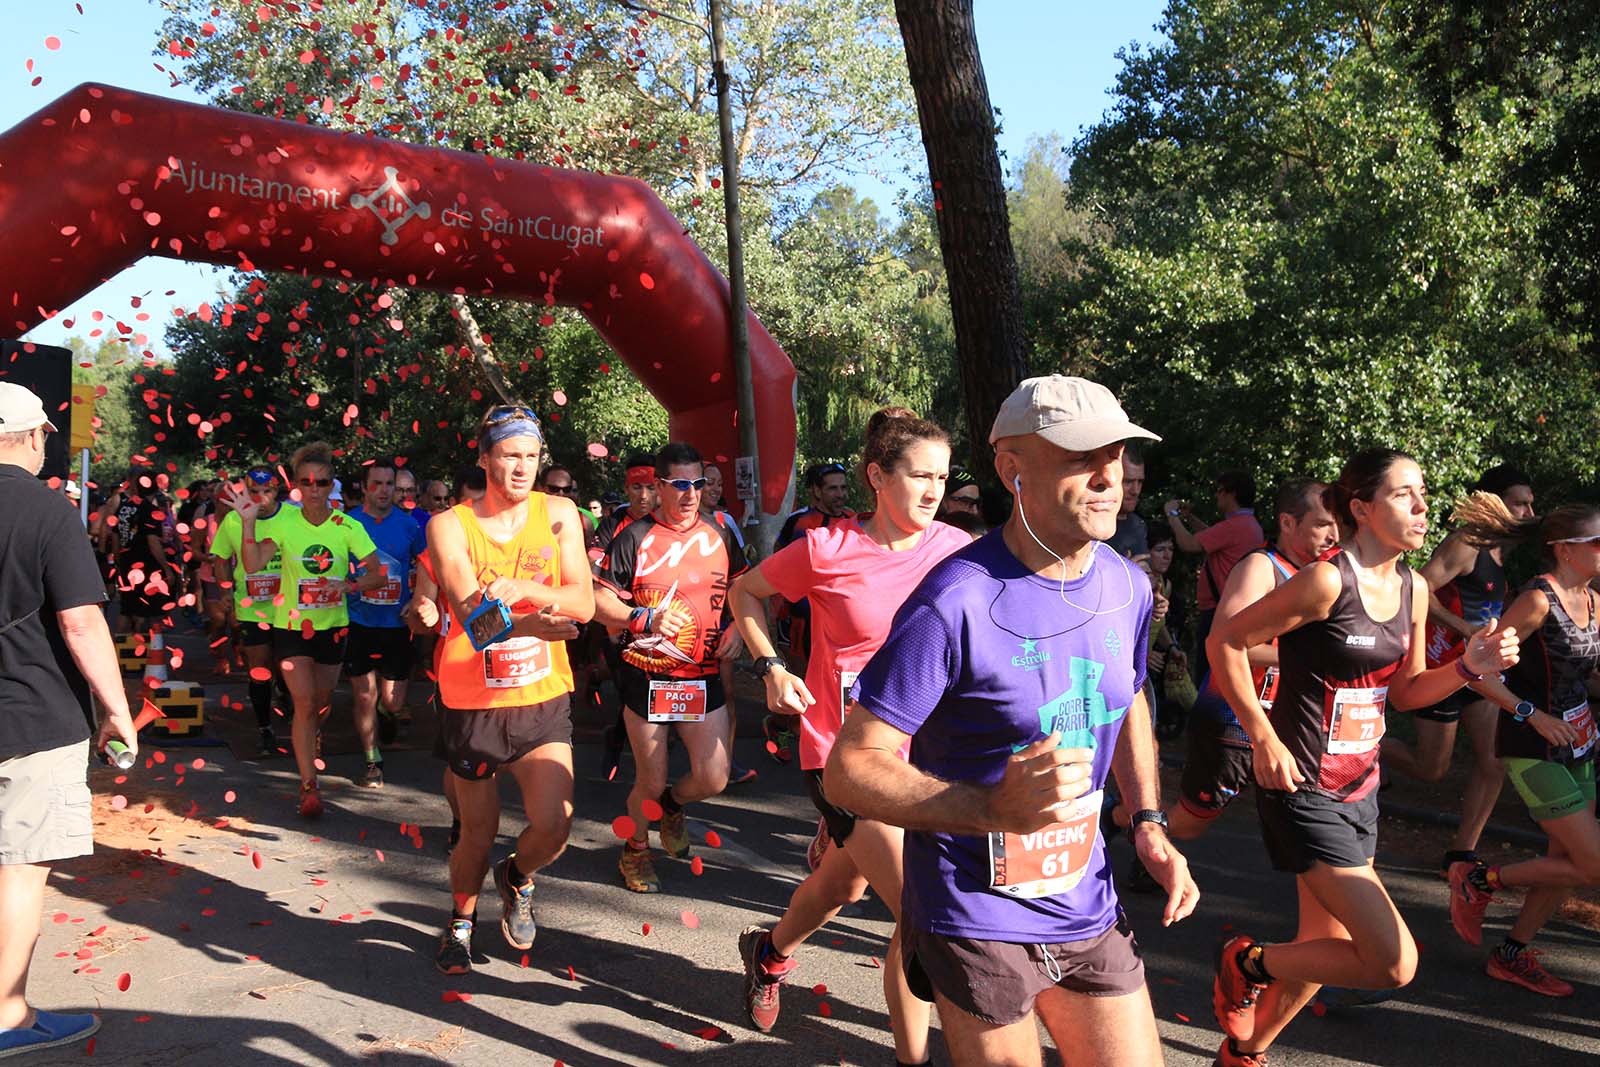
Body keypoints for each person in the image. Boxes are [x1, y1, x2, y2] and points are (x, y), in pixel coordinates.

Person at [826, 376, 1199, 1067]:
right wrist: (990, 808)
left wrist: (1148, 820)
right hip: (973, 911)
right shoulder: (954, 601)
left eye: (1116, 455)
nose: (1109, 477)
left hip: (1084, 899)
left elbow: (1128, 698)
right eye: (1081, 457)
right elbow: (848, 769)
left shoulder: (1128, 585)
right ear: (1011, 469)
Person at [1206, 448, 1519, 1067]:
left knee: (1323, 945)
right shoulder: (1327, 581)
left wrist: (1466, 667)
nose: (1423, 506)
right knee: (1393, 962)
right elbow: (1226, 640)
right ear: (1363, 508)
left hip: (1360, 789)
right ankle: (1247, 961)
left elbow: (1406, 691)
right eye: (1405, 494)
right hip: (1302, 786)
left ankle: (1243, 1054)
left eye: (1423, 492)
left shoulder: (1413, 588)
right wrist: (1263, 736)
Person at [729, 408, 969, 1062]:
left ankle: (768, 951)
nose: (933, 490)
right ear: (877, 477)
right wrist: (772, 668)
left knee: (845, 885)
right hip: (842, 754)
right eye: (919, 475)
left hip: (927, 759)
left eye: (942, 477)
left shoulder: (957, 550)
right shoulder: (826, 549)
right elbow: (745, 593)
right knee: (919, 908)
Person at [424, 404, 594, 975]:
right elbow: (471, 619)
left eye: (531, 455)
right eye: (509, 455)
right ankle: (461, 922)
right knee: (478, 831)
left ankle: (517, 874)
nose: (522, 468)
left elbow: (583, 602)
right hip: (473, 703)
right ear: (484, 458)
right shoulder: (449, 526)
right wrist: (526, 624)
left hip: (542, 696)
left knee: (555, 824)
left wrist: (523, 587)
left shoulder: (560, 513)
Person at [0, 383, 136, 1058]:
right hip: (33, 716)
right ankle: (7, 1016)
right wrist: (117, 709)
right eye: (45, 437)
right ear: (31, 437)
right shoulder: (48, 511)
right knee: (20, 869)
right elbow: (81, 621)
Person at [1442, 495, 1597, 997]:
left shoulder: (1594, 600)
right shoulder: (1536, 600)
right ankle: (1480, 881)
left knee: (1568, 860)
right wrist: (1534, 714)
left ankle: (1511, 954)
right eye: (1598, 541)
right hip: (1531, 743)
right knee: (1593, 863)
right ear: (1564, 549)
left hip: (1580, 743)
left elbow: (1584, 674)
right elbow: (1479, 673)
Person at [594, 442, 747, 893]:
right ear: (659, 486)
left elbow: (745, 589)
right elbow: (599, 602)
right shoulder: (634, 536)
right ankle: (635, 849)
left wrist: (738, 627)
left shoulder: (720, 533)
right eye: (679, 484)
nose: (690, 494)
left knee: (713, 777)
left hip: (701, 674)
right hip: (646, 674)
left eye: (697, 483)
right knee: (650, 777)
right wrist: (641, 618)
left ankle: (673, 805)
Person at [1168, 480, 1336, 843]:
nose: (1333, 535)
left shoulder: (1322, 574)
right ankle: (1126, 825)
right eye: (1323, 524)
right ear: (1288, 522)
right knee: (1191, 821)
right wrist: (1308, 659)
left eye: (1337, 524)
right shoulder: (1262, 566)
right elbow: (1223, 643)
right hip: (1235, 718)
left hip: (1287, 724)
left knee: (1306, 826)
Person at [1386, 465, 1535, 876]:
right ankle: (1364, 750)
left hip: (1480, 672)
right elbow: (1417, 587)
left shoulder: (1504, 549)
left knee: (1493, 761)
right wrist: (1463, 627)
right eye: (1520, 503)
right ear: (1494, 502)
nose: (1528, 512)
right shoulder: (1466, 543)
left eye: (1530, 503)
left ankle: (1462, 852)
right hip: (1443, 668)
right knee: (1431, 769)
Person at [226, 441, 385, 817]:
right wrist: (247, 523)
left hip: (333, 627)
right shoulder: (284, 523)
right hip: (291, 626)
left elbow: (378, 574)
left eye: (322, 482)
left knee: (322, 702)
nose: (314, 489)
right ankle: (308, 786)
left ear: (332, 486)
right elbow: (252, 564)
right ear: (296, 486)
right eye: (306, 482)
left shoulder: (347, 526)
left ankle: (312, 733)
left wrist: (349, 585)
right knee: (305, 702)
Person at [343, 459, 429, 788]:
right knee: (364, 694)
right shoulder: (348, 523)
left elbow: (427, 565)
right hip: (358, 621)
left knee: (393, 701)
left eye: (389, 484)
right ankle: (372, 760)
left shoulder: (409, 525)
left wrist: (417, 597)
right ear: (364, 487)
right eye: (376, 483)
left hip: (397, 623)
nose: (383, 490)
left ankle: (387, 712)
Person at [767, 462, 857, 762]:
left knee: (831, 684)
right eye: (832, 488)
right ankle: (780, 728)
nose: (840, 494)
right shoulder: (800, 523)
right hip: (798, 618)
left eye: (843, 487)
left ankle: (824, 747)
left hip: (836, 619)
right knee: (800, 683)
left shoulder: (853, 519)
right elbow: (780, 569)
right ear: (816, 491)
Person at [210, 465, 291, 757]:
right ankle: (265, 728)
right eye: (254, 492)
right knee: (259, 670)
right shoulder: (234, 520)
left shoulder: (293, 517)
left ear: (277, 490)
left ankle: (286, 694)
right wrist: (225, 590)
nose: (260, 498)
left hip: (289, 609)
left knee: (287, 666)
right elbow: (221, 558)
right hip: (252, 608)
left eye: (267, 491)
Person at [590, 454, 660, 780]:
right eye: (636, 488)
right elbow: (592, 571)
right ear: (626, 488)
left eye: (650, 487)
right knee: (631, 693)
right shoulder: (613, 524)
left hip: (665, 625)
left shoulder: (670, 521)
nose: (643, 496)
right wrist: (615, 623)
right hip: (620, 625)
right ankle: (617, 743)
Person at [1166, 469, 1263, 671]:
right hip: (1235, 610)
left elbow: (1188, 544)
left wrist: (1172, 514)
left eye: (1220, 490)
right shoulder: (1249, 525)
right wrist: (1189, 518)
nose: (1217, 495)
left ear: (1231, 493)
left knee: (1207, 674)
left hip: (1217, 613)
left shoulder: (1234, 526)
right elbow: (1211, 535)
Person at [700, 462, 756, 786]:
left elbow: (740, 577)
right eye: (709, 482)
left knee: (726, 692)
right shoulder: (671, 524)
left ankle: (727, 761)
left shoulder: (726, 522)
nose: (716, 488)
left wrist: (736, 623)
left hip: (719, 619)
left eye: (719, 483)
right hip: (680, 624)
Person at [1107, 448, 1149, 558]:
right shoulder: (1093, 528)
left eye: (1140, 482)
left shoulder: (1138, 525)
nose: (1135, 490)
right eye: (1128, 482)